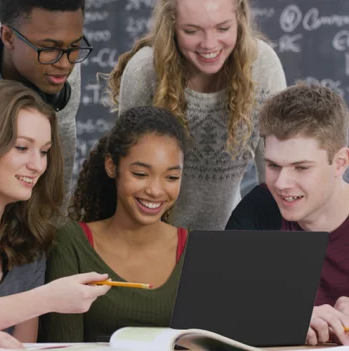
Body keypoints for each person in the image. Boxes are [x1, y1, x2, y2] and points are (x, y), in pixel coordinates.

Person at [107, 0, 287, 230]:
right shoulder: (144, 71)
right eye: (191, 31)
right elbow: (126, 178)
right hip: (152, 237)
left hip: (228, 237)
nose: (209, 44)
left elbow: (276, 175)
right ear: (171, 25)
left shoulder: (263, 66)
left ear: (240, 20)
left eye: (223, 28)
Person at [39, 106, 188, 342]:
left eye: (171, 177)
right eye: (140, 174)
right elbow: (63, 345)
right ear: (112, 166)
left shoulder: (193, 250)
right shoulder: (72, 243)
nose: (156, 190)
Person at [225, 82, 349, 346]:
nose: (281, 184)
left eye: (301, 168)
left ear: (339, 162)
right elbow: (217, 304)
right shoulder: (259, 207)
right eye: (272, 165)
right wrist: (287, 317)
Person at [0, 80, 110, 346]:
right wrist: (47, 298)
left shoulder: (29, 245)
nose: (37, 165)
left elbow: (25, 345)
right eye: (22, 148)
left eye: (45, 152)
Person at [0, 0, 93, 211]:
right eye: (49, 48)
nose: (65, 64)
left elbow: (61, 161)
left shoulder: (64, 73)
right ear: (8, 37)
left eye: (75, 46)